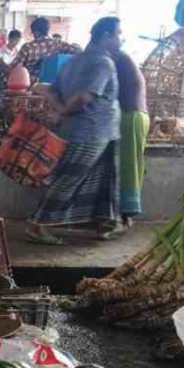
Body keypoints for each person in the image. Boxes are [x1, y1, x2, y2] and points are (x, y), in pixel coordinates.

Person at [27, 17, 123, 245]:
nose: (121, 39)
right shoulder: (102, 63)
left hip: (95, 132)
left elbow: (52, 90)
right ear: (106, 35)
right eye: (119, 33)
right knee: (69, 179)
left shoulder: (73, 62)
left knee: (102, 181)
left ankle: (104, 224)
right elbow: (82, 98)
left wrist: (59, 109)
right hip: (90, 132)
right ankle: (38, 225)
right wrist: (64, 110)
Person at [114, 49, 150, 226]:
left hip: (130, 116)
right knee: (131, 165)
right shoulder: (119, 58)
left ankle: (125, 215)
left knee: (128, 166)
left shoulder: (112, 58)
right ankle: (123, 214)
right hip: (134, 116)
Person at [10, 17, 81, 83]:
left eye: (32, 33)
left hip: (32, 86)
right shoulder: (59, 45)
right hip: (53, 86)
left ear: (36, 32)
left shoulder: (28, 47)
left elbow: (13, 68)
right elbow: (79, 52)